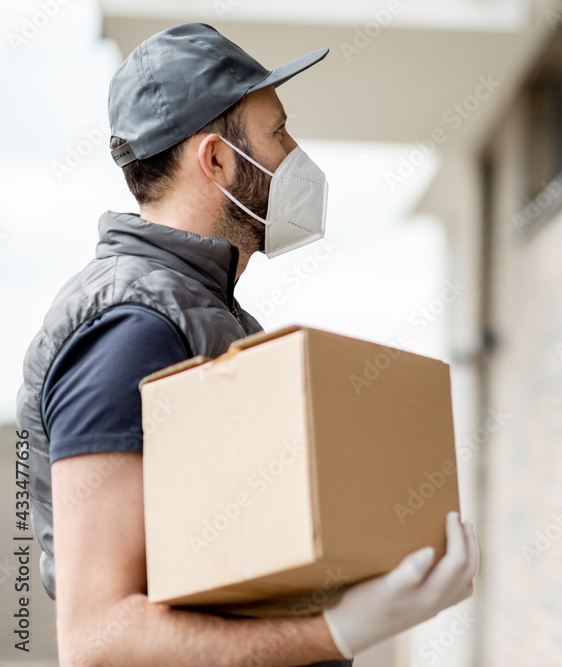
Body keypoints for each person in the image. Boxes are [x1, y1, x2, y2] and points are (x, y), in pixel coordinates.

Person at [15, 23, 479, 667]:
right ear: (216, 160)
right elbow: (97, 637)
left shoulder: (211, 315)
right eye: (278, 132)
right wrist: (335, 633)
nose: (295, 153)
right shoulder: (132, 326)